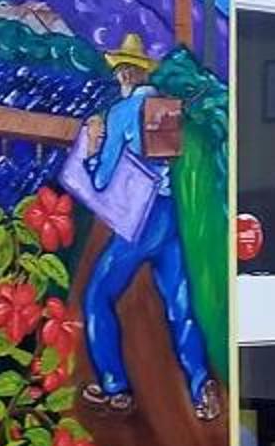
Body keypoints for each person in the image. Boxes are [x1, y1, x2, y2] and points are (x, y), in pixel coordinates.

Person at [77, 85, 223, 423]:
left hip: (140, 219)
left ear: (123, 74)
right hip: (169, 214)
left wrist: (90, 152)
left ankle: (115, 386)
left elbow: (101, 179)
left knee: (97, 296)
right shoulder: (167, 107)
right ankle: (201, 384)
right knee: (179, 306)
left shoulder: (121, 111)